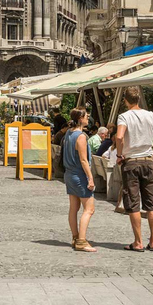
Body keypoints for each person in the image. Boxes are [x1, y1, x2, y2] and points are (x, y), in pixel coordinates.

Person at [114, 86, 153, 253]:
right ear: (138, 99)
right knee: (151, 203)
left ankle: (138, 242)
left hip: (131, 162)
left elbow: (119, 136)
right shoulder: (151, 115)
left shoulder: (124, 116)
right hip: (148, 162)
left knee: (133, 203)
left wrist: (119, 155)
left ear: (125, 100)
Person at [63, 108, 97, 253]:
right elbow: (83, 160)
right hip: (79, 174)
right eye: (86, 117)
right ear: (80, 119)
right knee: (89, 209)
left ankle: (75, 237)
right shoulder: (81, 136)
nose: (88, 119)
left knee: (73, 208)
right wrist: (90, 178)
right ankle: (82, 241)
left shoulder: (68, 133)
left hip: (69, 174)